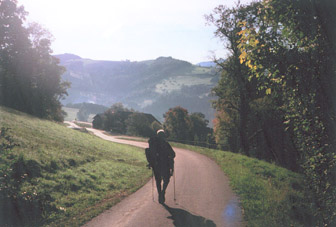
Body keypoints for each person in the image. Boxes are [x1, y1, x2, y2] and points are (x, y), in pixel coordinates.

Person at [145, 129, 175, 204]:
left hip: (155, 164)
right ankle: (163, 192)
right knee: (166, 180)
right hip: (165, 164)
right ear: (164, 135)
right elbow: (173, 154)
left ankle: (160, 194)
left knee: (158, 181)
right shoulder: (166, 144)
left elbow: (149, 153)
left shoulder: (153, 143)